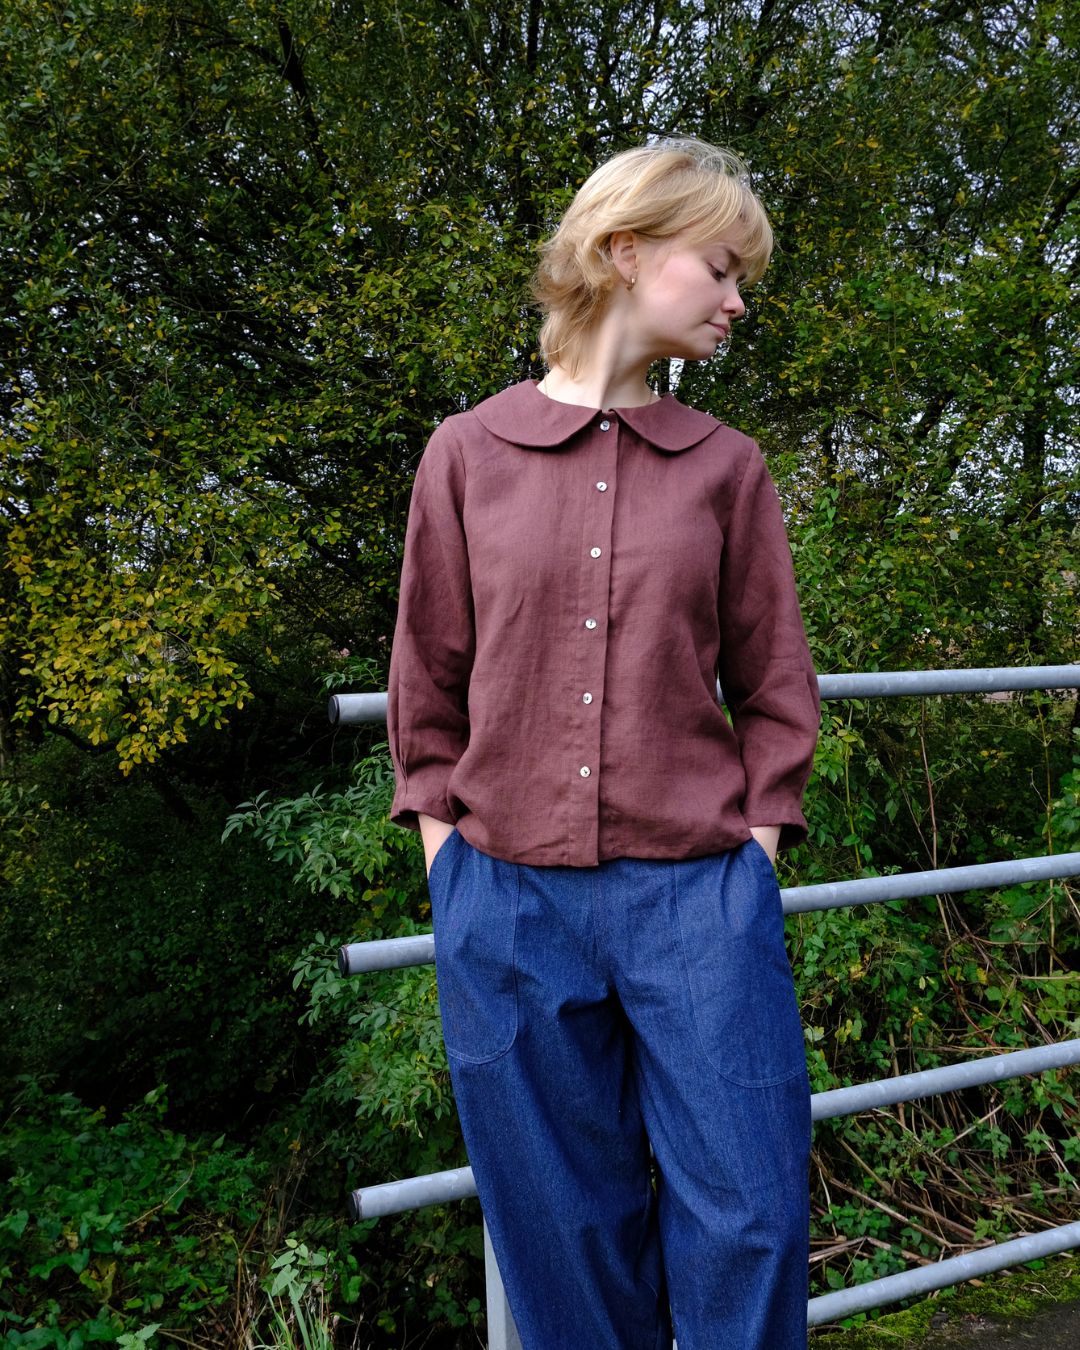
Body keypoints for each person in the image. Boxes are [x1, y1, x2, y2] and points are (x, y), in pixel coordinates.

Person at [387, 138, 820, 1350]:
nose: (739, 300)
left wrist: (759, 849)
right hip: (506, 899)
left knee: (750, 1213)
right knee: (562, 1233)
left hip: (699, 901)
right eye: (724, 267)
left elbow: (775, 680)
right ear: (626, 251)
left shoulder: (727, 471)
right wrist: (447, 859)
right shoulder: (465, 456)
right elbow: (427, 679)